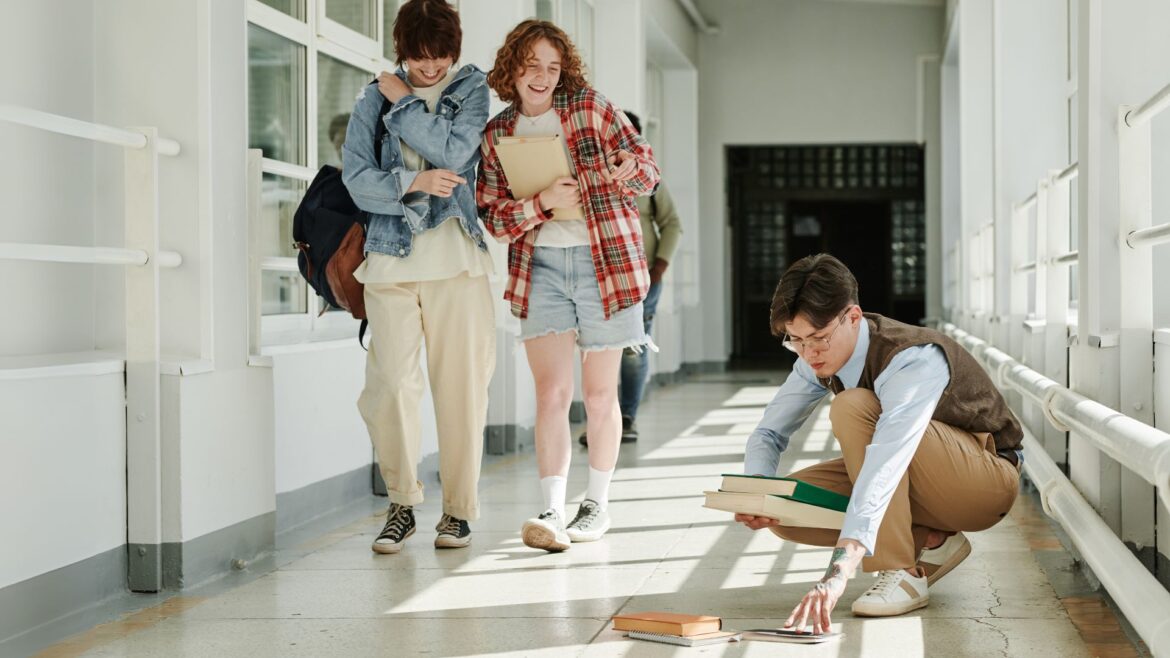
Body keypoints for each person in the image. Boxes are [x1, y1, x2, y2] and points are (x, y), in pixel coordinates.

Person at [737, 253, 1023, 631]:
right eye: (797, 341)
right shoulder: (814, 357)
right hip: (921, 476)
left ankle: (900, 570)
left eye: (819, 338)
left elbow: (888, 459)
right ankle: (933, 541)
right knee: (786, 505)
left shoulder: (912, 358)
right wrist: (755, 491)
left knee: (852, 407)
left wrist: (840, 569)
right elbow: (770, 432)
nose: (810, 353)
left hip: (984, 483)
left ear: (853, 317)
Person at [477, 20, 660, 552]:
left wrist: (629, 166)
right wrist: (542, 205)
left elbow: (647, 171)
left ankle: (596, 505)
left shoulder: (592, 108)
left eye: (552, 68)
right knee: (551, 393)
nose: (542, 77)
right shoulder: (498, 136)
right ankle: (552, 510)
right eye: (532, 65)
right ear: (511, 68)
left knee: (601, 395)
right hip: (541, 271)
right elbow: (493, 217)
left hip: (607, 263)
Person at [341, 0, 495, 555]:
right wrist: (411, 182)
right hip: (389, 260)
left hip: (457, 260)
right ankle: (401, 504)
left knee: (461, 389)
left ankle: (458, 512)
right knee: (389, 391)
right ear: (401, 50)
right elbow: (356, 179)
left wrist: (405, 103)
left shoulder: (470, 87)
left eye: (441, 58)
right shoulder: (369, 96)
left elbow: (457, 150)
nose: (431, 69)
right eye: (419, 59)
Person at [579, 110, 682, 445]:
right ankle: (598, 422)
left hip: (643, 280)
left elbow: (672, 225)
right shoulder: (589, 177)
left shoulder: (651, 182)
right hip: (598, 277)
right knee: (596, 351)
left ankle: (627, 417)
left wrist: (659, 268)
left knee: (633, 351)